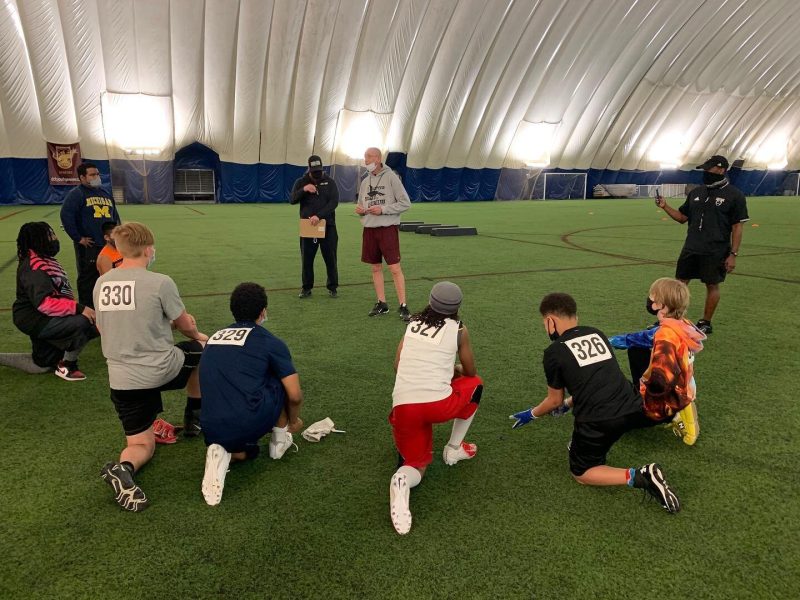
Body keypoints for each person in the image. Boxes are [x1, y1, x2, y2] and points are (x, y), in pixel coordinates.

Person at [509, 292, 681, 514]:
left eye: (545, 323)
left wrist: (531, 414)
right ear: (575, 317)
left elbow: (554, 401)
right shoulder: (596, 333)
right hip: (633, 406)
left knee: (581, 472)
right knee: (589, 440)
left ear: (550, 320)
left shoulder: (554, 352)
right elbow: (596, 380)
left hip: (600, 420)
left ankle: (640, 475)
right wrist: (570, 404)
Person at [94, 222, 207, 512]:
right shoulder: (160, 282)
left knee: (142, 446)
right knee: (201, 352)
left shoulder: (101, 283)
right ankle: (195, 418)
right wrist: (198, 335)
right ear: (147, 249)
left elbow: (108, 325)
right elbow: (186, 326)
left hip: (121, 380)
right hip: (160, 369)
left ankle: (124, 468)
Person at [388, 282, 484, 534]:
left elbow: (397, 365)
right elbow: (471, 371)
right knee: (475, 384)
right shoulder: (459, 330)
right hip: (438, 405)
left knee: (416, 466)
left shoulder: (412, 324)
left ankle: (401, 480)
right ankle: (453, 449)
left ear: (430, 302)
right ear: (457, 307)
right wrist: (453, 370)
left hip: (404, 405)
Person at [199, 282, 305, 506]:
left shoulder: (214, 337)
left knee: (249, 453)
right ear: (263, 311)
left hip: (209, 424)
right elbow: (294, 395)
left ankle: (225, 452)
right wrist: (294, 421)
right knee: (279, 378)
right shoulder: (270, 341)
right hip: (247, 420)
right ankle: (279, 441)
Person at [656, 155, 749, 334]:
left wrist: (733, 254)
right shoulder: (696, 192)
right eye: (705, 169)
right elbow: (682, 218)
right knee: (679, 283)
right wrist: (665, 207)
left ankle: (706, 322)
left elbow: (737, 226)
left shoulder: (734, 195)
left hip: (716, 250)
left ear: (721, 169)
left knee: (712, 285)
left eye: (709, 168)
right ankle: (669, 320)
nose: (706, 172)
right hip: (691, 247)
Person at [609, 278, 705, 445]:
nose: (650, 299)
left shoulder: (665, 335)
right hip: (686, 389)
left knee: (615, 421)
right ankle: (680, 417)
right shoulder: (683, 325)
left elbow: (662, 378)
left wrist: (650, 405)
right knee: (636, 347)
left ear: (663, 306)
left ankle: (670, 416)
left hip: (666, 400)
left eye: (653, 297)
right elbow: (640, 339)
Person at [0, 222, 96, 380]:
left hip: (45, 315)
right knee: (85, 322)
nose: (54, 239)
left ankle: (57, 357)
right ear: (37, 240)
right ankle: (67, 366)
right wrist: (79, 309)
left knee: (42, 365)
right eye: (50, 236)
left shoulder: (45, 259)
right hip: (35, 317)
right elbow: (45, 303)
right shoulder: (34, 266)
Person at [355, 147, 412, 321]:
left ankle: (403, 305)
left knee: (394, 268)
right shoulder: (365, 182)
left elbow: (406, 203)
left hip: (387, 229)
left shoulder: (391, 177)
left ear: (378, 159)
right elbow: (361, 204)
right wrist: (361, 211)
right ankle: (382, 303)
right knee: (375, 267)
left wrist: (384, 210)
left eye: (369, 157)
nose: (366, 161)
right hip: (369, 229)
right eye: (365, 157)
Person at [60, 162, 121, 308]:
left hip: (109, 245)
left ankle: (110, 305)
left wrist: (118, 235)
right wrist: (78, 238)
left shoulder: (105, 193)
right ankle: (88, 310)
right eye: (92, 175)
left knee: (112, 275)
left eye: (98, 174)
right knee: (88, 278)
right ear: (82, 177)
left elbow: (115, 216)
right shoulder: (76, 194)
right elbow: (66, 216)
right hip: (90, 246)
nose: (96, 177)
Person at [290, 155, 339, 298]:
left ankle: (333, 287)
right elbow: (292, 199)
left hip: (327, 226)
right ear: (309, 170)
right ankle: (306, 288)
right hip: (308, 227)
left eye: (320, 172)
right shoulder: (301, 182)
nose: (318, 175)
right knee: (307, 259)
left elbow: (334, 202)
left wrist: (319, 215)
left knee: (331, 258)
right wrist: (304, 189)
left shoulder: (330, 183)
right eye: (314, 172)